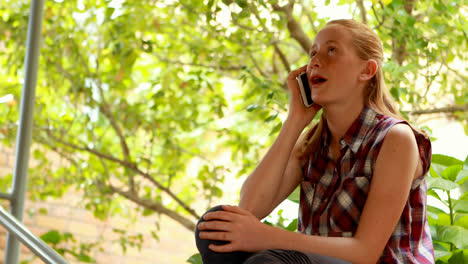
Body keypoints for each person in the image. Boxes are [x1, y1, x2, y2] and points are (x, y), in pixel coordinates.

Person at [195, 19, 435, 264]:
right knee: (215, 227)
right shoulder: (310, 142)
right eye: (313, 54)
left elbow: (365, 253)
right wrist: (295, 120)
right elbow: (248, 210)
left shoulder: (396, 138)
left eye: (332, 50)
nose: (315, 61)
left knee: (269, 261)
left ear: (366, 70)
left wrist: (267, 236)